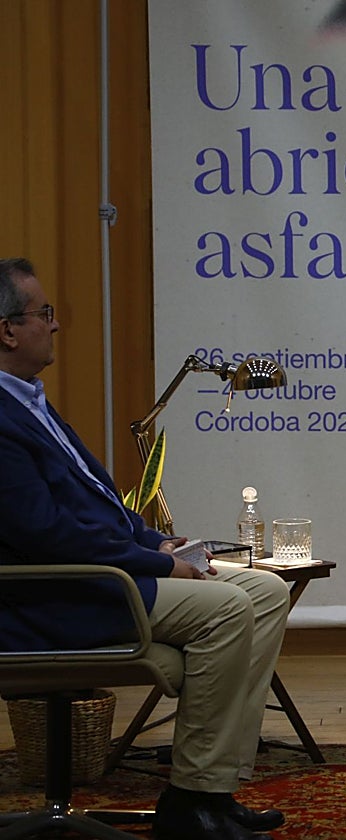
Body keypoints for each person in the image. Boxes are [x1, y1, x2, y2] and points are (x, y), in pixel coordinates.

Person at [0, 258, 291, 840]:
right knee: (230, 608)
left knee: (266, 590)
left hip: (98, 574)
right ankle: (190, 802)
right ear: (7, 329)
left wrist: (154, 537)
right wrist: (160, 563)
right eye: (44, 314)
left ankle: (216, 789)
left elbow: (96, 504)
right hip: (57, 596)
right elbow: (45, 534)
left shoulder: (28, 400)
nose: (55, 326)